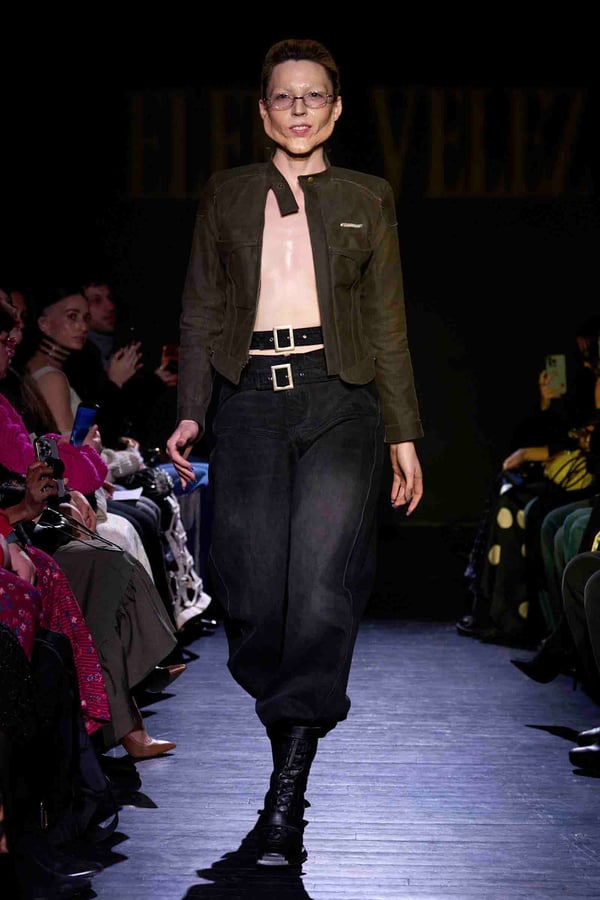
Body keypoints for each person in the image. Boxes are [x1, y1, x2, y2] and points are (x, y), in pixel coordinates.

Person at [167, 38, 423, 867]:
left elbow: (386, 322)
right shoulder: (228, 193)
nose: (300, 108)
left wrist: (402, 432)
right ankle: (290, 728)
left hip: (339, 399)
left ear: (337, 109)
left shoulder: (367, 196)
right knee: (247, 586)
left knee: (319, 586)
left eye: (315, 95)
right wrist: (191, 411)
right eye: (285, 96)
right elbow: (202, 307)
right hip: (249, 402)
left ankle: (286, 796)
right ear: (263, 110)